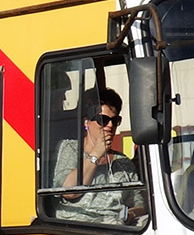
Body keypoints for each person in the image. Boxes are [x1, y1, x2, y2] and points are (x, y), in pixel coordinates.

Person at [52, 88, 147, 225]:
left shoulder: (123, 162)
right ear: (86, 122)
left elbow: (139, 204)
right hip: (79, 228)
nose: (110, 126)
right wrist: (96, 154)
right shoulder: (70, 148)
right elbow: (68, 191)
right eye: (103, 120)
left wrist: (130, 214)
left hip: (118, 226)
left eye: (115, 121)